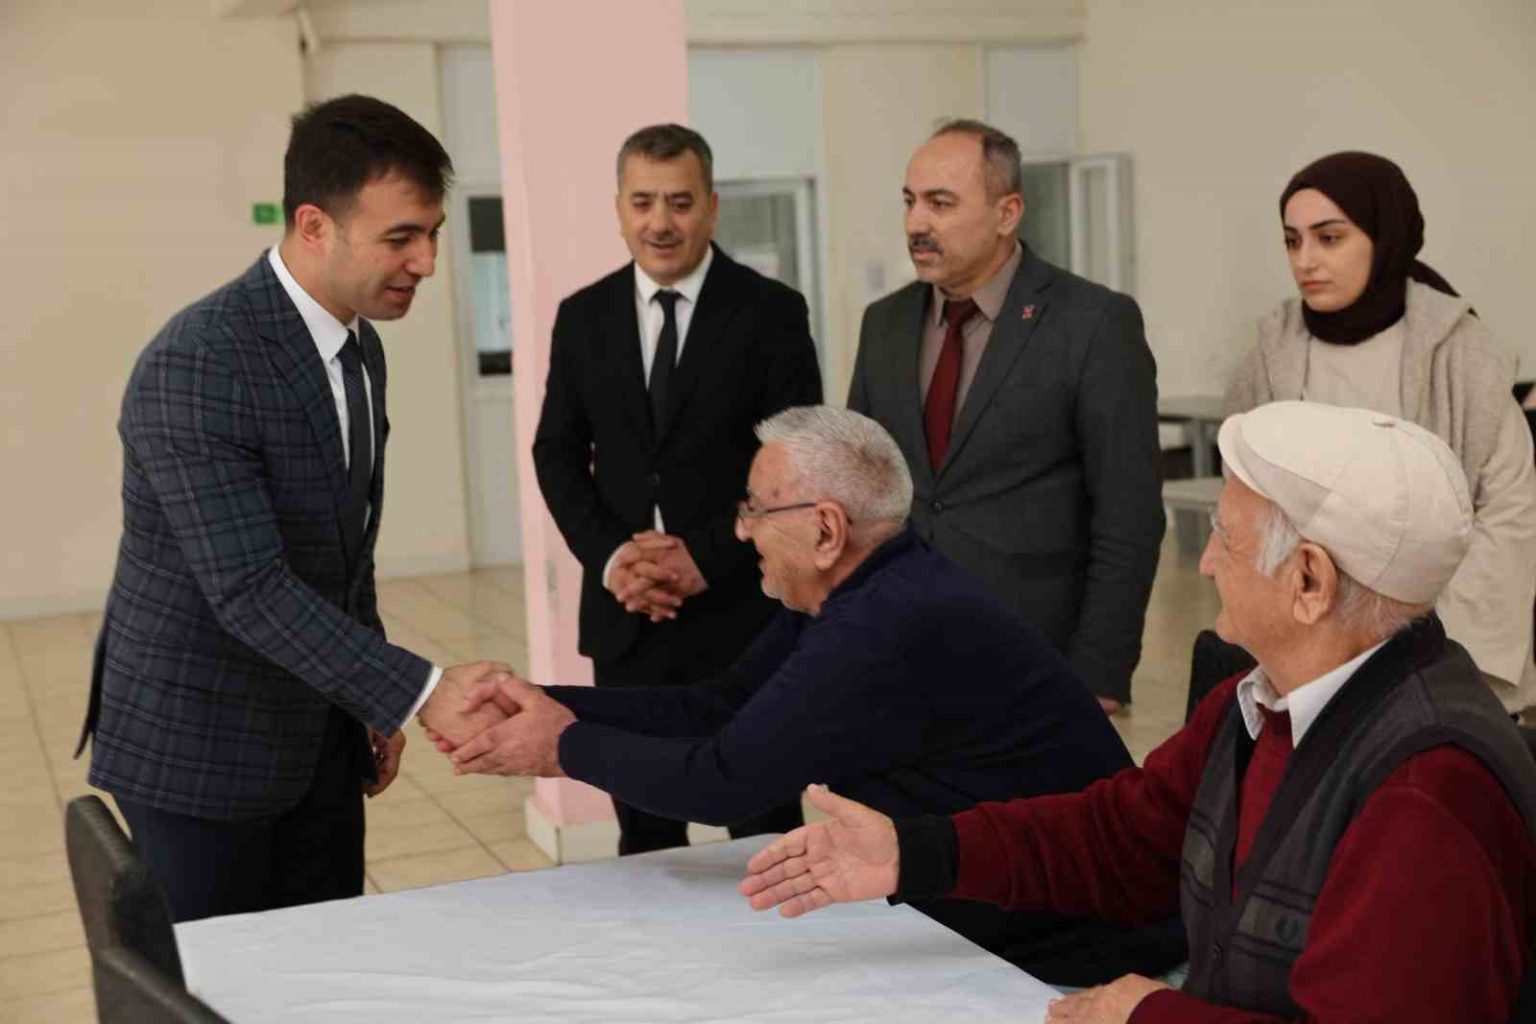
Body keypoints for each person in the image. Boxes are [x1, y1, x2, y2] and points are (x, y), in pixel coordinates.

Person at [741, 401, 1536, 1024]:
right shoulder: (1257, 703)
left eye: (1224, 537)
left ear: (1309, 582)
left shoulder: (1429, 790)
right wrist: (911, 853)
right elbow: (1121, 840)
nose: (1206, 563)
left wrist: (1148, 1014)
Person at [438, 406, 1181, 985]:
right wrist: (542, 702)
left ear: (826, 529)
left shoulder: (887, 623)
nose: (741, 531)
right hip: (983, 911)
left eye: (755, 510)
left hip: (1075, 942)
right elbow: (720, 707)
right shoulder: (867, 586)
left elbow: (723, 783)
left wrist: (561, 746)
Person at [78, 95, 510, 923]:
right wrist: (417, 690)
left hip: (317, 735)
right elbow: (248, 587)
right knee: (213, 981)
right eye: (401, 238)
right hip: (200, 750)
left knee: (325, 962)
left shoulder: (359, 347)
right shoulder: (199, 362)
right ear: (314, 225)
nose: (426, 262)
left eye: (432, 234)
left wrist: (368, 700)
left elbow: (344, 552)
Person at [531, 124, 821, 855]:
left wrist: (705, 556)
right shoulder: (583, 316)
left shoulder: (771, 312)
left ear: (712, 208)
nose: (660, 222)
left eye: (680, 202)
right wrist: (615, 560)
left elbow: (797, 462)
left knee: (764, 835)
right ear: (619, 209)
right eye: (643, 202)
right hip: (629, 619)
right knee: (646, 838)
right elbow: (556, 453)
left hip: (745, 613)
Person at [848, 119, 1163, 713]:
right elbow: (861, 491)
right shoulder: (883, 324)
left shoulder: (1093, 323)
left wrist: (1100, 671)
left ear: (1007, 212)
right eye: (910, 202)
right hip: (896, 650)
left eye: (941, 203)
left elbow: (1130, 514)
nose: (916, 223)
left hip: (1033, 660)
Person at [1228, 151, 1536, 717]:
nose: (1305, 260)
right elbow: (1244, 509)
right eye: (1293, 241)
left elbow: (1508, 513)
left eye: (1329, 238)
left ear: (1384, 236)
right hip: (1306, 642)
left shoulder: (1462, 355)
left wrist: (1435, 647)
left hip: (1440, 643)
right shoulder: (1269, 359)